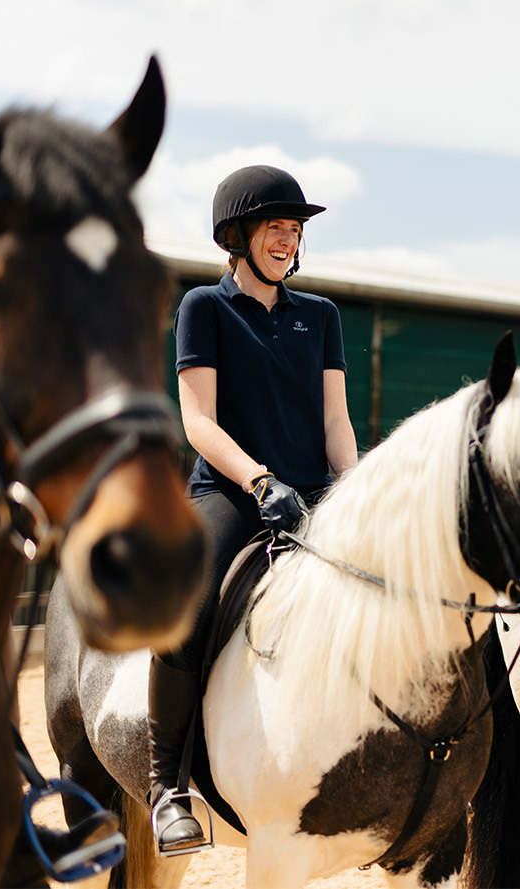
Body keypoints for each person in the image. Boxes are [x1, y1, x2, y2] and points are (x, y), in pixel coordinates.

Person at [146, 165, 359, 853]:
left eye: (294, 228)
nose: (288, 236)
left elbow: (335, 420)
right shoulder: (203, 309)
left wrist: (353, 486)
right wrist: (261, 482)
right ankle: (166, 787)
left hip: (315, 493)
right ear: (236, 235)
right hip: (234, 495)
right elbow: (199, 422)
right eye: (275, 224)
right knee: (186, 607)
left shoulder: (320, 316)